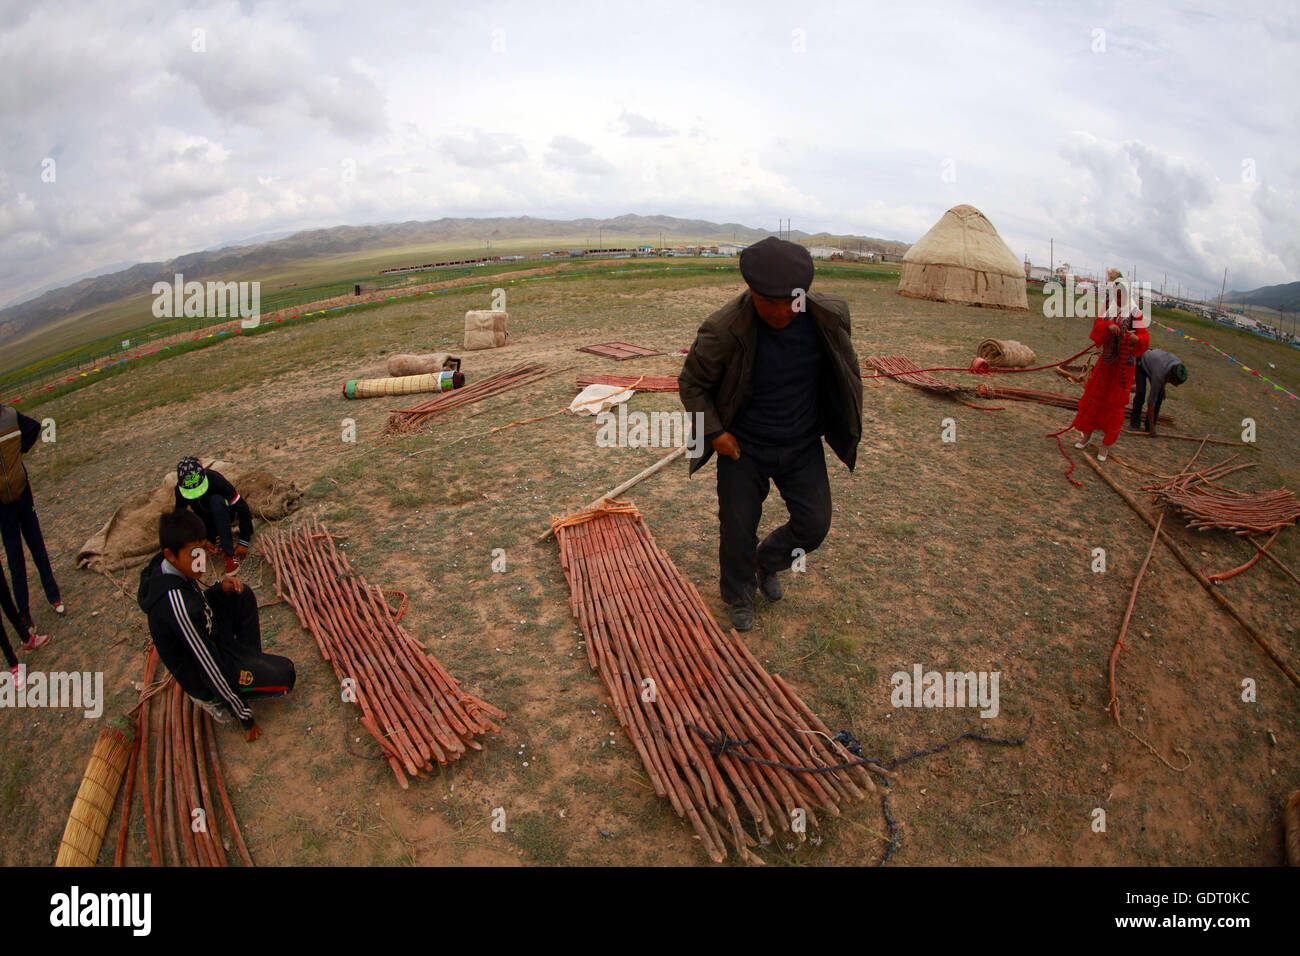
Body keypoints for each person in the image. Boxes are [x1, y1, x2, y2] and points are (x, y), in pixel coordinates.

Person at [679, 236, 863, 632]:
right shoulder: (724, 329)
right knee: (737, 526)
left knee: (814, 525)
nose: (781, 312)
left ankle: (769, 561)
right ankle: (739, 593)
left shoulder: (826, 319)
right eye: (769, 303)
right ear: (752, 291)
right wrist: (714, 434)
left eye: (790, 302)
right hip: (743, 448)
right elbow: (692, 384)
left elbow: (842, 372)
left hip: (801, 444)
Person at [136, 509, 294, 739]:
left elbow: (198, 606)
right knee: (285, 674)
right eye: (194, 554)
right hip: (203, 672)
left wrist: (218, 589)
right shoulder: (176, 607)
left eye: (202, 550)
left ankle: (249, 662)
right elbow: (208, 664)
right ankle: (219, 700)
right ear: (170, 554)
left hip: (210, 637)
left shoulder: (166, 564)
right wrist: (245, 717)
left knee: (240, 594)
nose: (201, 559)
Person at [0, 401, 64, 639]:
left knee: (37, 545)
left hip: (23, 495)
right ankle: (24, 613)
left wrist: (20, 451)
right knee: (15, 558)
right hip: (2, 506)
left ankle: (53, 595)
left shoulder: (10, 416)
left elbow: (35, 428)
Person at [1070, 274, 1149, 462]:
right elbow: (1097, 328)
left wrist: (1135, 339)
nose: (1118, 297)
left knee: (1114, 405)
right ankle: (1086, 436)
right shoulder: (1108, 309)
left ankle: (1105, 446)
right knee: (1095, 397)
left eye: (1121, 294)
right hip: (1105, 363)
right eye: (1115, 293)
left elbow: (1144, 337)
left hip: (1123, 367)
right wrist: (1108, 326)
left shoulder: (1136, 312)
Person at [173, 457, 254, 575]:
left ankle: (229, 554)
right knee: (186, 517)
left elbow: (242, 507)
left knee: (216, 501)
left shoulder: (216, 480)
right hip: (206, 520)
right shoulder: (179, 491)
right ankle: (211, 539)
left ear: (204, 473)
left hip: (227, 514)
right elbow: (179, 517)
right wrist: (203, 540)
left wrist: (243, 541)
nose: (197, 496)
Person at [1130, 348, 1187, 435]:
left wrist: (1162, 388)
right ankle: (1135, 423)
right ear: (1171, 376)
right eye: (1175, 383)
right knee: (1141, 393)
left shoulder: (1178, 365)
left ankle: (1148, 426)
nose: (1176, 385)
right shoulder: (1159, 375)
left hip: (1155, 363)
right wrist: (1152, 429)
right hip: (1141, 361)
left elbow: (1166, 376)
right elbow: (1151, 402)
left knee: (1160, 395)